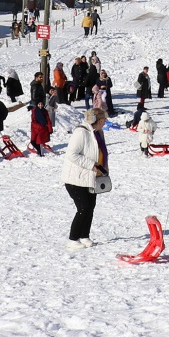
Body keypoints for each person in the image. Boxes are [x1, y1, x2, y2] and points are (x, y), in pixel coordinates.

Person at [61, 106, 111, 248]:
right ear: (100, 120)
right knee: (83, 208)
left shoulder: (98, 133)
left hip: (91, 177)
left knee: (90, 207)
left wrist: (103, 167)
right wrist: (91, 164)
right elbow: (71, 154)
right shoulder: (81, 132)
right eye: (104, 120)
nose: (105, 122)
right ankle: (73, 238)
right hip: (76, 178)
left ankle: (84, 236)